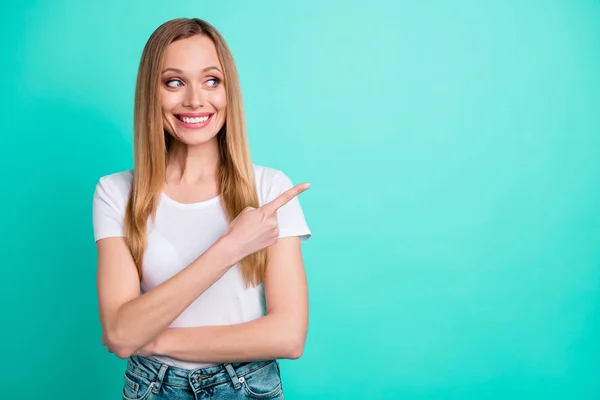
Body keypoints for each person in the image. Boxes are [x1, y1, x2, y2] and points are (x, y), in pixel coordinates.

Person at [92, 17, 312, 399]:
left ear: (229, 91)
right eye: (174, 82)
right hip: (153, 388)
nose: (195, 99)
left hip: (247, 387)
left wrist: (153, 340)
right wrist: (231, 247)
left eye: (212, 80)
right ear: (152, 92)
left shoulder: (269, 188)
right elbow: (120, 333)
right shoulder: (116, 193)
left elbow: (289, 336)